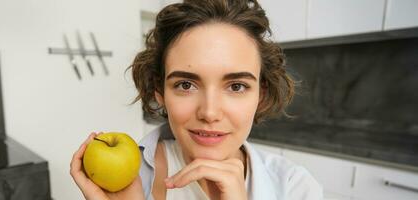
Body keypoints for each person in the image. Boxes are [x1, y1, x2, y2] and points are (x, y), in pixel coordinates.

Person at [71, 0, 323, 199]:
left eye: (236, 86)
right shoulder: (122, 182)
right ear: (160, 90)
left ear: (262, 94)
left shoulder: (296, 188)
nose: (210, 112)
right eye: (186, 85)